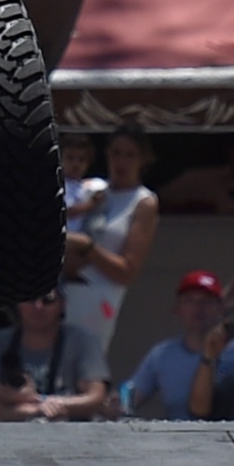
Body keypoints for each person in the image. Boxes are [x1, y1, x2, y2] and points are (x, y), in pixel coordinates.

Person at [62, 127, 160, 352]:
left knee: (84, 362)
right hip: (60, 290)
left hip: (97, 295)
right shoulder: (91, 189)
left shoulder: (142, 202)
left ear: (143, 159)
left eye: (130, 155)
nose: (121, 161)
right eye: (116, 153)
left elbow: (128, 271)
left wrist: (88, 248)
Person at [120, 271, 234, 420]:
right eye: (189, 301)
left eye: (207, 301)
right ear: (177, 308)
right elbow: (130, 395)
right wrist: (117, 403)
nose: (198, 308)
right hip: (179, 440)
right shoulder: (162, 354)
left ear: (221, 308)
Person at [0, 289, 110, 422]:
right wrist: (37, 409)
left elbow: (96, 398)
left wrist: (33, 399)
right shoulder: (0, 342)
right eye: (30, 299)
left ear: (62, 304)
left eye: (47, 300)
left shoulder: (83, 340)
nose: (38, 306)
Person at [59, 133, 107, 234]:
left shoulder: (92, 185)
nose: (76, 164)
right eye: (70, 158)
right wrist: (91, 204)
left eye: (82, 159)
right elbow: (66, 211)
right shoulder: (59, 185)